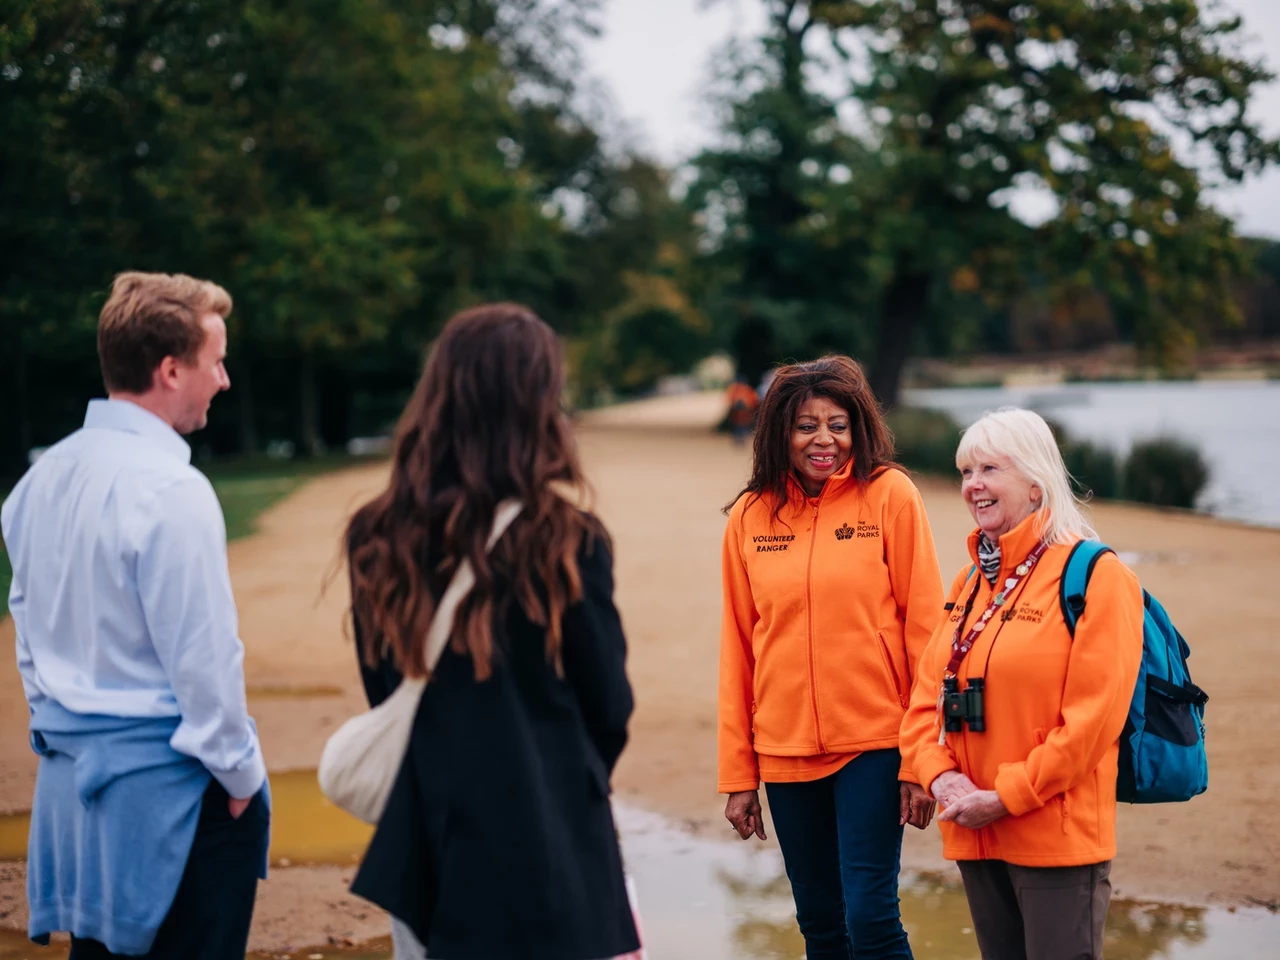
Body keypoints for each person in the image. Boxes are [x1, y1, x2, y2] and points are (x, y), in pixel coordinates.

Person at [344, 303, 640, 960]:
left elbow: (383, 687)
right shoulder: (568, 541)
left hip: (429, 841)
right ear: (538, 404)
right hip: (549, 836)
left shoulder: (377, 536)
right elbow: (610, 706)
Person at [1, 272, 270, 960]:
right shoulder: (172, 489)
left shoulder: (38, 480)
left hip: (75, 789)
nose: (225, 379)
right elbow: (205, 658)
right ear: (171, 368)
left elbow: (24, 624)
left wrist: (63, 725)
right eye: (216, 362)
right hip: (173, 799)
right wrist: (238, 777)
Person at [719, 355, 945, 960]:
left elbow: (929, 634)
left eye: (838, 425)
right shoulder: (749, 516)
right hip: (784, 748)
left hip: (874, 742)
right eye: (806, 425)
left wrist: (923, 759)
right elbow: (739, 649)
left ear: (859, 428)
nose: (824, 440)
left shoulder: (891, 495)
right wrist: (739, 775)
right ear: (780, 433)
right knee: (819, 923)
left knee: (872, 918)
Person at [899, 408, 1144, 960]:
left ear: (1036, 484)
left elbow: (1091, 725)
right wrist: (938, 778)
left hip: (1053, 837)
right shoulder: (967, 583)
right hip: (974, 834)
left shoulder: (1097, 577)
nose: (973, 486)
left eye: (990, 469)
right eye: (965, 471)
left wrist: (1006, 797)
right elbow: (922, 704)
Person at [724, 374, 759, 446]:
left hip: (743, 412)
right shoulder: (739, 389)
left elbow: (753, 400)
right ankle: (740, 439)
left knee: (741, 425)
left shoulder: (735, 388)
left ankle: (740, 439)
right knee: (740, 425)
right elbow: (754, 400)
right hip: (738, 412)